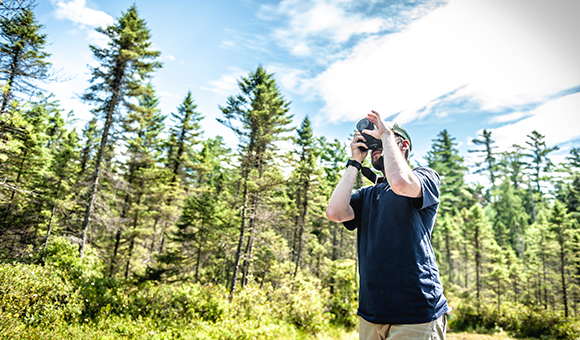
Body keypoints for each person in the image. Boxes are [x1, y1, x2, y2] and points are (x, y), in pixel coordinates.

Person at [326, 110, 448, 340]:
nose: (375, 149)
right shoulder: (367, 194)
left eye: (381, 142)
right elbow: (335, 212)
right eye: (373, 146)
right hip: (371, 315)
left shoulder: (424, 177)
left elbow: (401, 183)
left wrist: (387, 135)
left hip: (416, 314)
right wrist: (355, 161)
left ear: (402, 144)